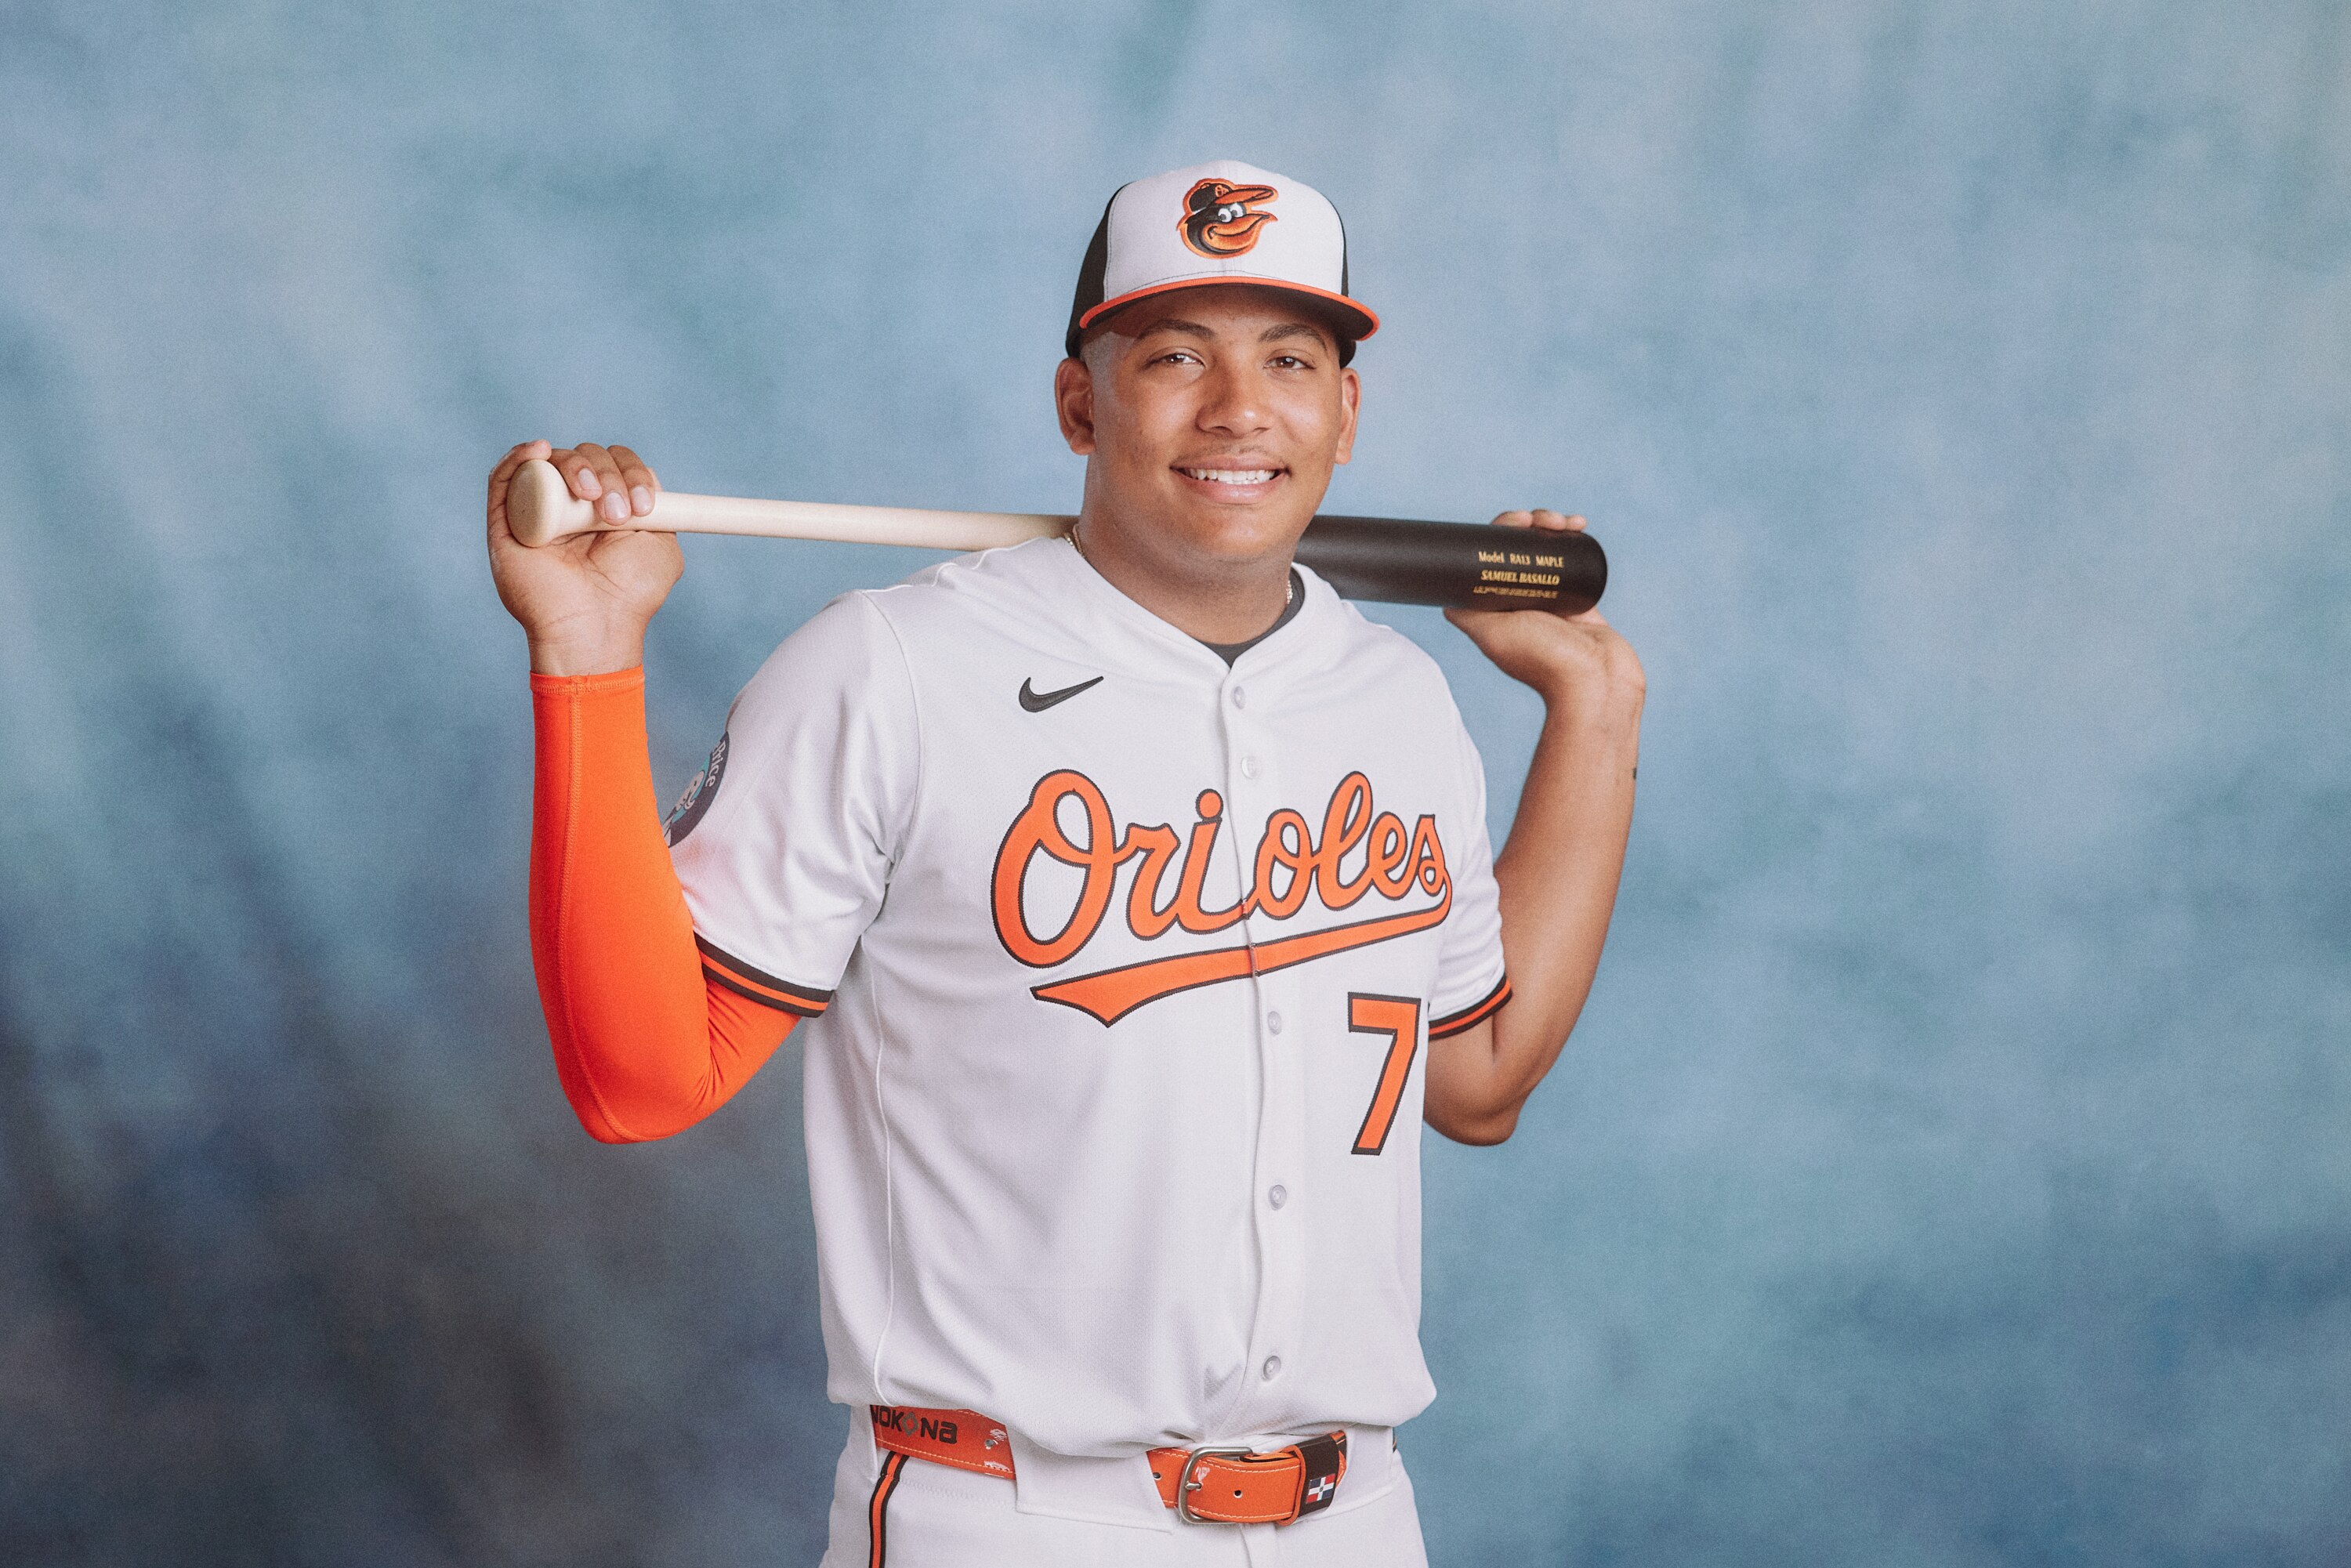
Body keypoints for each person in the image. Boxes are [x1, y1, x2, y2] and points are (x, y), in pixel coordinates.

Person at [484, 160, 1643, 1567]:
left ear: (1346, 409)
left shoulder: (1397, 699)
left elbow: (1479, 1081)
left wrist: (1592, 708)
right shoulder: (892, 668)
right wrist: (589, 654)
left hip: (1356, 1520)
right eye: (1174, 355)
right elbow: (637, 1079)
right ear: (1079, 402)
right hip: (1015, 1517)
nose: (1238, 410)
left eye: (1291, 357)